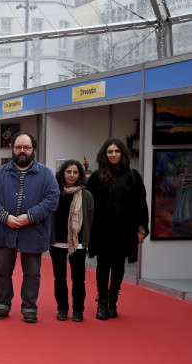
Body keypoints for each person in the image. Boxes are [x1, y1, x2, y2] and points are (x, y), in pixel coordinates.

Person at [0, 132, 60, 323]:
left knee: (32, 273)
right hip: (5, 230)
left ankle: (29, 308)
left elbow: (53, 199)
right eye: (18, 147)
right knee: (1, 271)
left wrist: (31, 216)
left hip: (33, 231)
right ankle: (1, 304)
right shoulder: (0, 173)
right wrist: (4, 216)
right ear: (13, 149)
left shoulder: (46, 174)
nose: (22, 151)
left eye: (26, 147)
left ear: (33, 149)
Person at [86, 138, 149, 320]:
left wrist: (141, 228)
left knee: (119, 266)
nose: (113, 154)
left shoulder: (133, 175)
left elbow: (141, 205)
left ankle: (113, 301)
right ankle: (102, 302)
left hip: (125, 229)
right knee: (103, 265)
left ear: (122, 154)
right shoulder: (97, 176)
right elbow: (88, 205)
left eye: (117, 151)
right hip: (102, 229)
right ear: (104, 155)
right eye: (110, 152)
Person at [50, 160, 94, 322]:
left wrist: (87, 241)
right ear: (62, 173)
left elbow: (90, 220)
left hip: (79, 243)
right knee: (59, 278)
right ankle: (62, 308)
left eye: (75, 172)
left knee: (78, 278)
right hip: (57, 242)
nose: (72, 175)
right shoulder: (55, 193)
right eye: (68, 171)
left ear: (80, 175)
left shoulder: (86, 195)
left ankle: (78, 310)